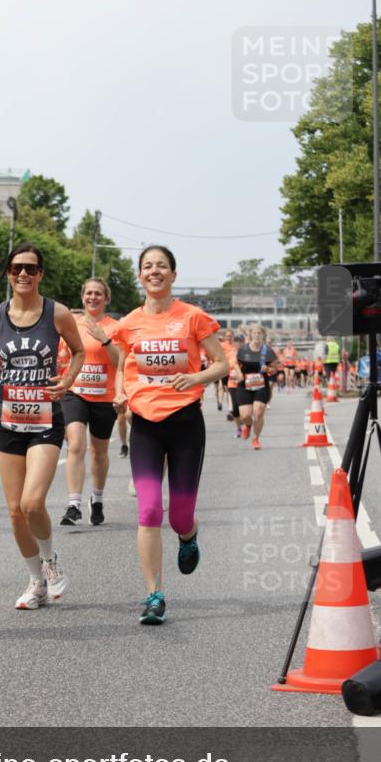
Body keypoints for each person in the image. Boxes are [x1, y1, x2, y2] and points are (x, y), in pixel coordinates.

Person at [113, 246, 227, 626]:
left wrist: (195, 377)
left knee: (179, 516)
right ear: (140, 276)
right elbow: (122, 363)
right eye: (147, 266)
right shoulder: (129, 323)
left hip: (185, 424)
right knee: (147, 511)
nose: (154, 271)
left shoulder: (192, 317)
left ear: (173, 275)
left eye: (161, 266)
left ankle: (188, 535)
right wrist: (120, 392)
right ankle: (154, 595)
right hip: (144, 424)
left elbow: (222, 364)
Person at [0, 244, 84, 609]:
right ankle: (35, 582)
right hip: (7, 420)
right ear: (8, 273)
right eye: (16, 268)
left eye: (30, 269)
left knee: (32, 501)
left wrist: (67, 380)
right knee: (14, 511)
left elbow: (79, 351)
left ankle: (50, 562)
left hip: (44, 419)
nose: (23, 274)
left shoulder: (57, 313)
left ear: (40, 274)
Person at [59, 278, 119, 527]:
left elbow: (120, 363)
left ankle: (97, 498)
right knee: (76, 445)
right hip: (76, 393)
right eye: (89, 293)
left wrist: (105, 340)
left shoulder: (116, 327)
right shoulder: (71, 325)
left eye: (98, 294)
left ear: (106, 299)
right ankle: (74, 505)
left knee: (99, 452)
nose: (93, 297)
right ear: (82, 297)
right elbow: (62, 357)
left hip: (105, 397)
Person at [235, 323, 278, 449]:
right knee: (246, 416)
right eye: (254, 333)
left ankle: (256, 439)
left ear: (263, 335)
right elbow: (235, 363)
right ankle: (247, 426)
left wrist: (269, 369)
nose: (257, 335)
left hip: (261, 385)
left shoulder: (268, 351)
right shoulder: (243, 349)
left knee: (258, 412)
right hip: (245, 385)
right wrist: (239, 374)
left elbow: (275, 369)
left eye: (259, 333)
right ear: (250, 335)